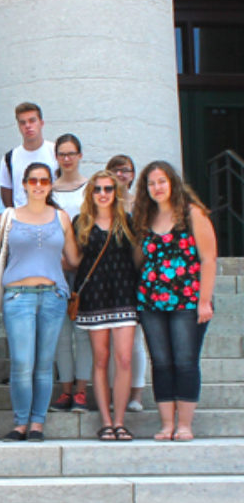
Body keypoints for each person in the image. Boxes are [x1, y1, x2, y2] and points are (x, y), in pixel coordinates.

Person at [133, 160, 217, 442]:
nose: (157, 188)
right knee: (161, 362)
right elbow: (139, 260)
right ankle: (167, 424)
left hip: (188, 300)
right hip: (151, 302)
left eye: (161, 181)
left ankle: (185, 425)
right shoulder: (145, 219)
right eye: (151, 183)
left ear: (173, 183)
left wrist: (204, 301)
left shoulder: (192, 214)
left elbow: (208, 259)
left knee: (185, 360)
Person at [1, 163, 80, 442]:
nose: (38, 185)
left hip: (52, 295)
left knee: (45, 364)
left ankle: (37, 423)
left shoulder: (61, 217)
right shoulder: (9, 216)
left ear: (50, 184)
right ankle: (20, 422)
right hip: (18, 295)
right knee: (22, 363)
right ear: (23, 183)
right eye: (32, 180)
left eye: (44, 180)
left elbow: (73, 259)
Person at [73, 170, 139, 441]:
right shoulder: (81, 222)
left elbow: (137, 258)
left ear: (116, 192)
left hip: (124, 294)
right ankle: (106, 421)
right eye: (98, 189)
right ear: (91, 193)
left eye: (108, 189)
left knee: (123, 358)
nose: (103, 194)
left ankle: (120, 421)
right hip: (95, 297)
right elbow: (74, 260)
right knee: (100, 360)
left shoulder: (127, 221)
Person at [50, 134, 92, 413]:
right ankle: (65, 390)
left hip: (85, 267)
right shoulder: (48, 190)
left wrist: (78, 259)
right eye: (62, 154)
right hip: (54, 267)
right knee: (60, 334)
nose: (67, 158)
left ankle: (81, 390)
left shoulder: (90, 188)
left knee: (83, 332)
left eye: (71, 153)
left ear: (79, 155)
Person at [107, 153, 147, 411]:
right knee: (112, 343)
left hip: (136, 277)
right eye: (117, 170)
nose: (122, 174)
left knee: (135, 342)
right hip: (109, 278)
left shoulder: (141, 206)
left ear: (133, 175)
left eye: (127, 170)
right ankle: (115, 393)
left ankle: (137, 395)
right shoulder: (102, 204)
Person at [0, 102, 57, 208]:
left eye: (32, 121)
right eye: (22, 122)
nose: (28, 126)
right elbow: (6, 195)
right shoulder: (9, 158)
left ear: (41, 123)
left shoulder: (55, 152)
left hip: (51, 216)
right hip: (21, 219)